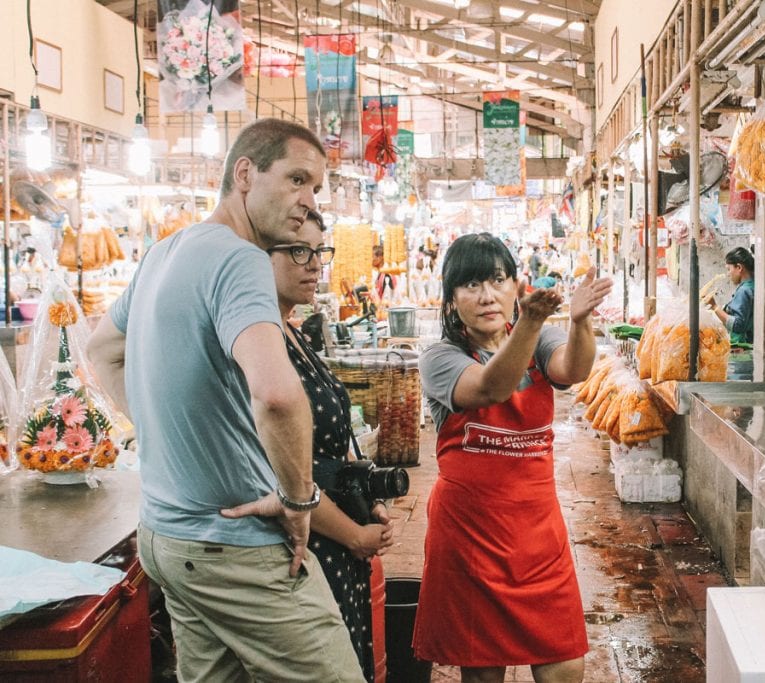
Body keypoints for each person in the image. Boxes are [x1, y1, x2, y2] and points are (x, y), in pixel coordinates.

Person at [87, 118, 365, 682]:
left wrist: (165, 428)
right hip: (237, 551)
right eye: (296, 180)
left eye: (315, 189)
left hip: (167, 540)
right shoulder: (240, 259)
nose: (307, 202)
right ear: (244, 173)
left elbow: (102, 350)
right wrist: (299, 500)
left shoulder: (165, 252)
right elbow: (279, 396)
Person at [412, 233, 613, 683]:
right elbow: (489, 387)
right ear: (451, 299)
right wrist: (528, 323)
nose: (487, 296)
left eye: (498, 280)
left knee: (564, 666)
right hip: (471, 538)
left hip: (539, 536)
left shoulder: (543, 339)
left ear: (514, 285)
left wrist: (579, 322)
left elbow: (572, 369)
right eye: (471, 285)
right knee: (482, 673)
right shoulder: (440, 358)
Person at [267, 210, 395, 682]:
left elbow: (336, 442)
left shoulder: (294, 333)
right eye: (299, 251)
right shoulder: (260, 346)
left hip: (338, 542)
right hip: (310, 546)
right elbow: (281, 470)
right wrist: (353, 534)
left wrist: (370, 499)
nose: (314, 264)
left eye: (320, 252)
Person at [703, 246, 755, 380]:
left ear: (739, 267)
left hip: (743, 353)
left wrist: (715, 307)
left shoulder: (744, 291)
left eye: (729, 269)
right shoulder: (751, 286)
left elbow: (738, 324)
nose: (728, 274)